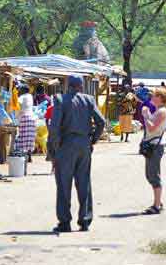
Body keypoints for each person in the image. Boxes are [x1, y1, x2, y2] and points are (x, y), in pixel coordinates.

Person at [50, 75, 105, 233]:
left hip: (66, 146)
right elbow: (101, 122)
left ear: (68, 85)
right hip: (84, 145)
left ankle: (65, 223)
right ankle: (85, 221)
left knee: (63, 185)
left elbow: (54, 129)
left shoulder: (60, 100)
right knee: (84, 183)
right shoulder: (89, 100)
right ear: (81, 86)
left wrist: (54, 150)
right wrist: (92, 140)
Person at [141, 88, 166, 215]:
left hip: (156, 146)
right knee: (150, 174)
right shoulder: (159, 111)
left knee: (153, 175)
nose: (152, 96)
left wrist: (145, 115)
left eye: (155, 95)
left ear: (160, 98)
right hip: (152, 145)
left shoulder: (162, 111)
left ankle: (157, 205)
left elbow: (152, 128)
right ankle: (158, 202)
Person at [15, 84, 36, 172]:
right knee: (29, 139)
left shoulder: (22, 97)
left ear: (23, 90)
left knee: (22, 138)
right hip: (32, 118)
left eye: (20, 90)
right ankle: (29, 155)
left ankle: (23, 157)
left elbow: (17, 105)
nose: (19, 91)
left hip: (25, 118)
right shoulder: (30, 96)